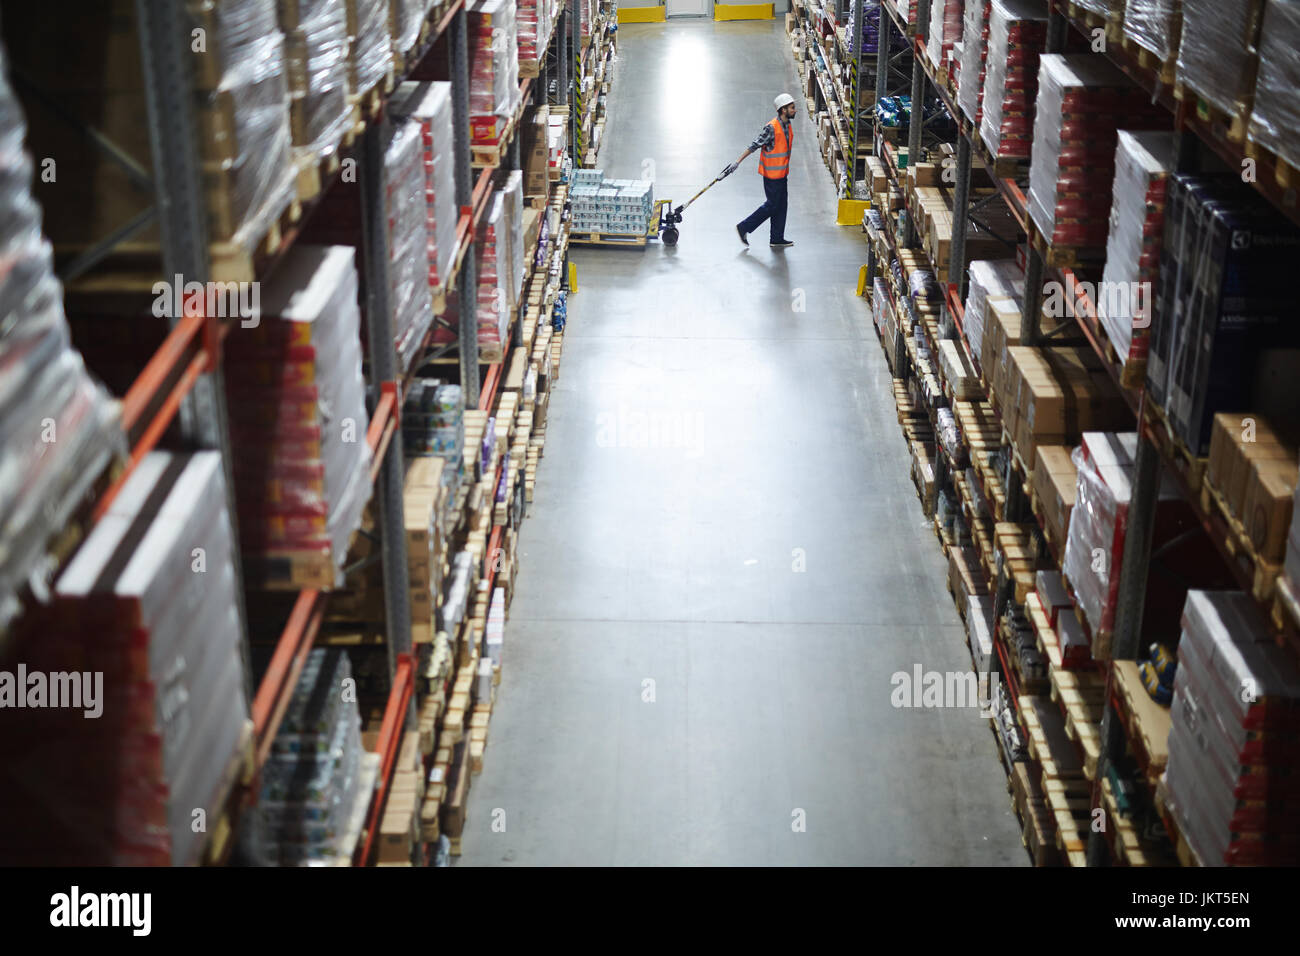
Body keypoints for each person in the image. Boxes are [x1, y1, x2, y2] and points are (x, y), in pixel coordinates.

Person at [727, 93, 797, 249]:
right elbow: (754, 145)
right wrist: (737, 162)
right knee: (772, 205)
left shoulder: (787, 125)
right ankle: (744, 227)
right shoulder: (772, 127)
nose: (795, 110)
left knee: (782, 205)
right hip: (772, 176)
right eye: (792, 108)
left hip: (782, 174)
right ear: (783, 110)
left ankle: (776, 238)